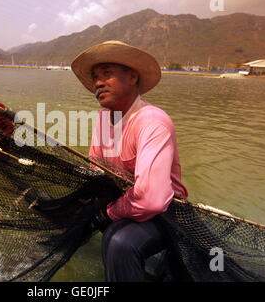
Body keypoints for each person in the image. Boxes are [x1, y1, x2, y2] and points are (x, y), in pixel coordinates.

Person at [70, 40, 188, 282]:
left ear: (132, 77)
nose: (98, 83)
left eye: (107, 74)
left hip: (166, 214)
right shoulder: (104, 119)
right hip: (124, 202)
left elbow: (151, 200)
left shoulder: (153, 122)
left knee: (120, 242)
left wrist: (108, 213)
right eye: (95, 77)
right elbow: (96, 168)